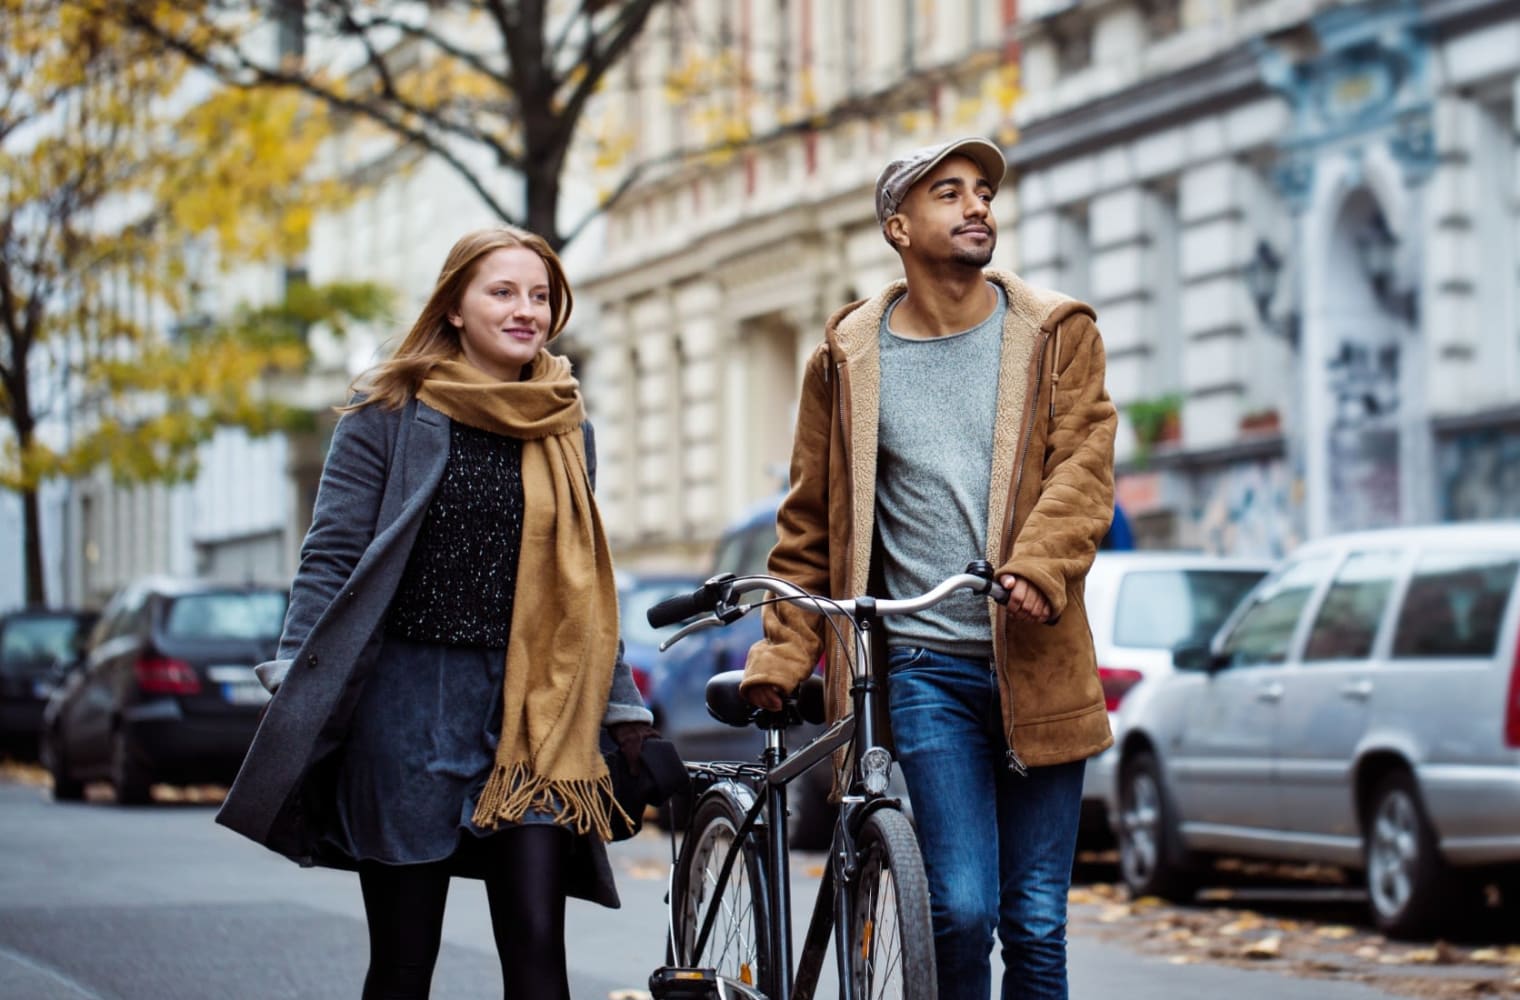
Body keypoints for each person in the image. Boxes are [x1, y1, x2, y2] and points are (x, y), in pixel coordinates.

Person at [215, 227, 658, 1000]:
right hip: (407, 708)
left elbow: (582, 581)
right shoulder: (385, 412)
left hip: (532, 712)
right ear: (454, 305)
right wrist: (295, 673)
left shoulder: (565, 424)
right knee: (403, 963)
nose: (527, 311)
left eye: (541, 295)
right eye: (503, 292)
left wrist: (625, 712)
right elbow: (331, 555)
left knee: (537, 954)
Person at [740, 137, 1118, 999]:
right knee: (961, 907)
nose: (977, 206)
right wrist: (783, 654)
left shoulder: (1058, 333)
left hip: (1042, 660)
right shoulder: (848, 357)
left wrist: (1038, 565)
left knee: (1037, 923)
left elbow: (1084, 466)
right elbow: (811, 522)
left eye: (983, 191)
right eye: (948, 193)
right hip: (924, 667)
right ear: (897, 226)